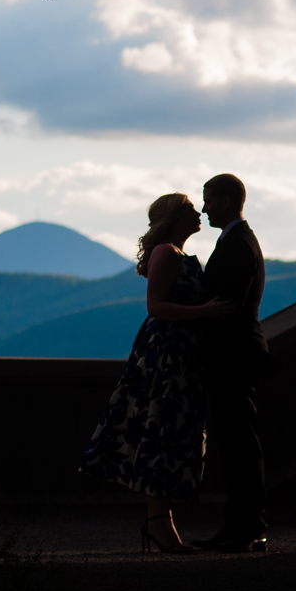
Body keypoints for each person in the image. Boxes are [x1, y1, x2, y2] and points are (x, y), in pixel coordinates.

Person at [79, 192, 234, 553]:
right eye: (190, 210)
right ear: (174, 218)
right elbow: (156, 307)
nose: (199, 213)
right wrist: (205, 312)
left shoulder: (176, 253)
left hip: (180, 355)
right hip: (166, 355)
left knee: (170, 432)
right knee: (160, 431)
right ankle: (158, 524)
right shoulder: (166, 252)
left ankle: (162, 524)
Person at [190, 172, 276, 553]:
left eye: (208, 200)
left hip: (234, 358)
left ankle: (247, 527)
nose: (204, 208)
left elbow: (228, 306)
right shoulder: (238, 240)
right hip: (235, 356)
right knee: (237, 445)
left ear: (225, 200)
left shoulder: (238, 244)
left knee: (241, 446)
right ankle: (239, 525)